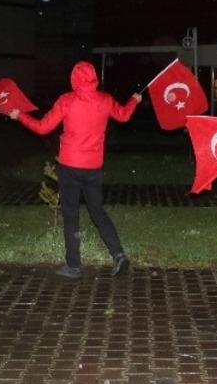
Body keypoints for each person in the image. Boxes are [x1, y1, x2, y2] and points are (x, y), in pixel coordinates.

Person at [9, 61, 140, 278]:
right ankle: (118, 254)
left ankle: (73, 266)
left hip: (70, 167)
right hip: (93, 168)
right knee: (97, 211)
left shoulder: (67, 101)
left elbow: (42, 128)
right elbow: (124, 115)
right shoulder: (105, 100)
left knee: (71, 214)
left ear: (74, 79)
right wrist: (134, 100)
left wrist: (19, 116)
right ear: (94, 78)